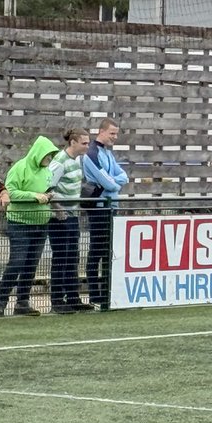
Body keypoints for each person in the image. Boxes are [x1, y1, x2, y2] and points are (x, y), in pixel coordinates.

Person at [0, 135, 59, 317]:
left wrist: (48, 196)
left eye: (51, 156)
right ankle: (0, 302)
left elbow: (46, 190)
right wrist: (34, 196)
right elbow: (11, 192)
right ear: (39, 153)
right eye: (47, 155)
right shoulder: (20, 168)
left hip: (41, 224)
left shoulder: (47, 171)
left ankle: (22, 302)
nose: (49, 159)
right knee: (17, 262)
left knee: (31, 264)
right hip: (20, 223)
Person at [82, 118, 129, 309]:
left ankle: (106, 293)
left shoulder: (107, 152)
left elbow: (123, 176)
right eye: (112, 133)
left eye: (116, 133)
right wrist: (114, 183)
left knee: (108, 252)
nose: (115, 137)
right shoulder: (91, 153)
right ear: (101, 131)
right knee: (97, 252)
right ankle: (95, 295)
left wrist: (113, 181)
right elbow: (109, 183)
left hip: (110, 207)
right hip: (99, 208)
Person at [48, 126, 94, 313]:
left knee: (73, 257)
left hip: (73, 215)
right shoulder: (59, 161)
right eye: (84, 143)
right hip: (60, 217)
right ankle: (57, 300)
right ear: (73, 142)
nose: (87, 146)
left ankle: (73, 297)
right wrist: (58, 210)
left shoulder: (78, 160)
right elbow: (48, 188)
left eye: (88, 143)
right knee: (61, 258)